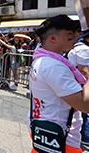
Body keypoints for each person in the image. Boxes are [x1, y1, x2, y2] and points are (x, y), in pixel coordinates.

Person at [28, 14, 89, 153]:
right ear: (53, 38)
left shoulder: (41, 59)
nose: (75, 37)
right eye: (69, 34)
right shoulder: (53, 65)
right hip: (60, 137)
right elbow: (84, 105)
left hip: (45, 129)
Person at [68, 29, 89, 145]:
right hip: (81, 84)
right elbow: (83, 71)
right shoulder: (84, 49)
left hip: (75, 83)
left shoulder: (77, 47)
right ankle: (85, 136)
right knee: (83, 111)